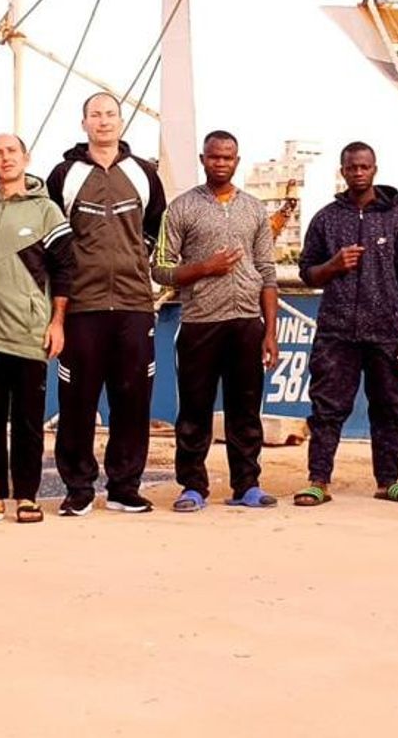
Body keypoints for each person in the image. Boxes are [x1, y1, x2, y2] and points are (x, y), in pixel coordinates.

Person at [46, 92, 166, 516]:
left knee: (132, 400)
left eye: (110, 115)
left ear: (121, 122)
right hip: (82, 306)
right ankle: (78, 488)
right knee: (77, 402)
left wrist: (135, 261)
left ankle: (123, 486)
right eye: (94, 115)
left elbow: (155, 228)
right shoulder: (64, 174)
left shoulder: (144, 173)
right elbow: (53, 236)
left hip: (134, 304)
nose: (103, 122)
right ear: (84, 123)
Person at [152, 131, 280, 511]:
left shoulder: (255, 209)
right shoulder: (181, 208)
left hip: (246, 323)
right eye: (214, 157)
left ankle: (247, 486)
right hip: (200, 323)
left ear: (237, 161)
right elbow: (160, 269)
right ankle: (192, 486)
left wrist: (269, 331)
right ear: (203, 159)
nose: (220, 163)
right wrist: (206, 267)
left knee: (245, 410)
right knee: (194, 410)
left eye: (227, 158)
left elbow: (268, 272)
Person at [294, 141, 398, 505]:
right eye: (351, 167)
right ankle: (318, 480)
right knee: (326, 408)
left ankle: (388, 481)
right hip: (337, 331)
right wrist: (332, 266)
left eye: (364, 167)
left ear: (375, 169)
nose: (358, 172)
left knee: (389, 407)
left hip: (386, 330)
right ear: (343, 170)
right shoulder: (326, 218)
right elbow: (308, 273)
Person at [0, 133, 72, 526]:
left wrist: (57, 322)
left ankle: (27, 495)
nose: (5, 158)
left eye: (11, 151)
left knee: (27, 421)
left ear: (26, 158)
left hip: (29, 331)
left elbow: (64, 271)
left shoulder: (47, 212)